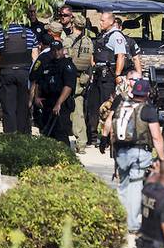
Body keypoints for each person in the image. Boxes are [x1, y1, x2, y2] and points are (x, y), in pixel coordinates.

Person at [111, 79, 164, 233]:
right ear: (147, 93)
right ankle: (133, 224)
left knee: (122, 186)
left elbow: (111, 127)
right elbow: (156, 136)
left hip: (121, 152)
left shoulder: (121, 106)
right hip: (139, 152)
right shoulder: (148, 110)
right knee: (135, 187)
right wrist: (161, 158)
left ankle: (120, 221)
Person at [0, 20, 39, 134]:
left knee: (8, 107)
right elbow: (35, 58)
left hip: (7, 73)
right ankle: (23, 135)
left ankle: (10, 135)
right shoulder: (30, 34)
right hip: (24, 74)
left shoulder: (0, 34)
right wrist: (35, 77)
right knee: (23, 107)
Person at [87, 11, 128, 146]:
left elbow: (121, 56)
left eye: (103, 21)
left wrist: (117, 74)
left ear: (111, 21)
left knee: (108, 107)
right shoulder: (104, 35)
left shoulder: (116, 36)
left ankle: (109, 139)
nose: (100, 23)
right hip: (98, 75)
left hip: (108, 76)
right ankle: (92, 137)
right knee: (93, 106)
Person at [32, 39, 77, 146]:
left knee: (60, 134)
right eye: (53, 50)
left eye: (58, 50)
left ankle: (66, 158)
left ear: (62, 50)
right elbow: (39, 81)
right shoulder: (48, 64)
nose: (56, 53)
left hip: (61, 104)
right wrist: (37, 97)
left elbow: (68, 86)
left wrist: (58, 103)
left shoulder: (67, 65)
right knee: (47, 133)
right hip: (47, 103)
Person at [64, 15, 94, 153]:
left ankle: (62, 138)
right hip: (82, 79)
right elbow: (90, 62)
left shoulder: (68, 40)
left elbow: (64, 60)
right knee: (79, 111)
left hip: (69, 79)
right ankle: (82, 142)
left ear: (73, 24)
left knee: (64, 108)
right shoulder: (88, 41)